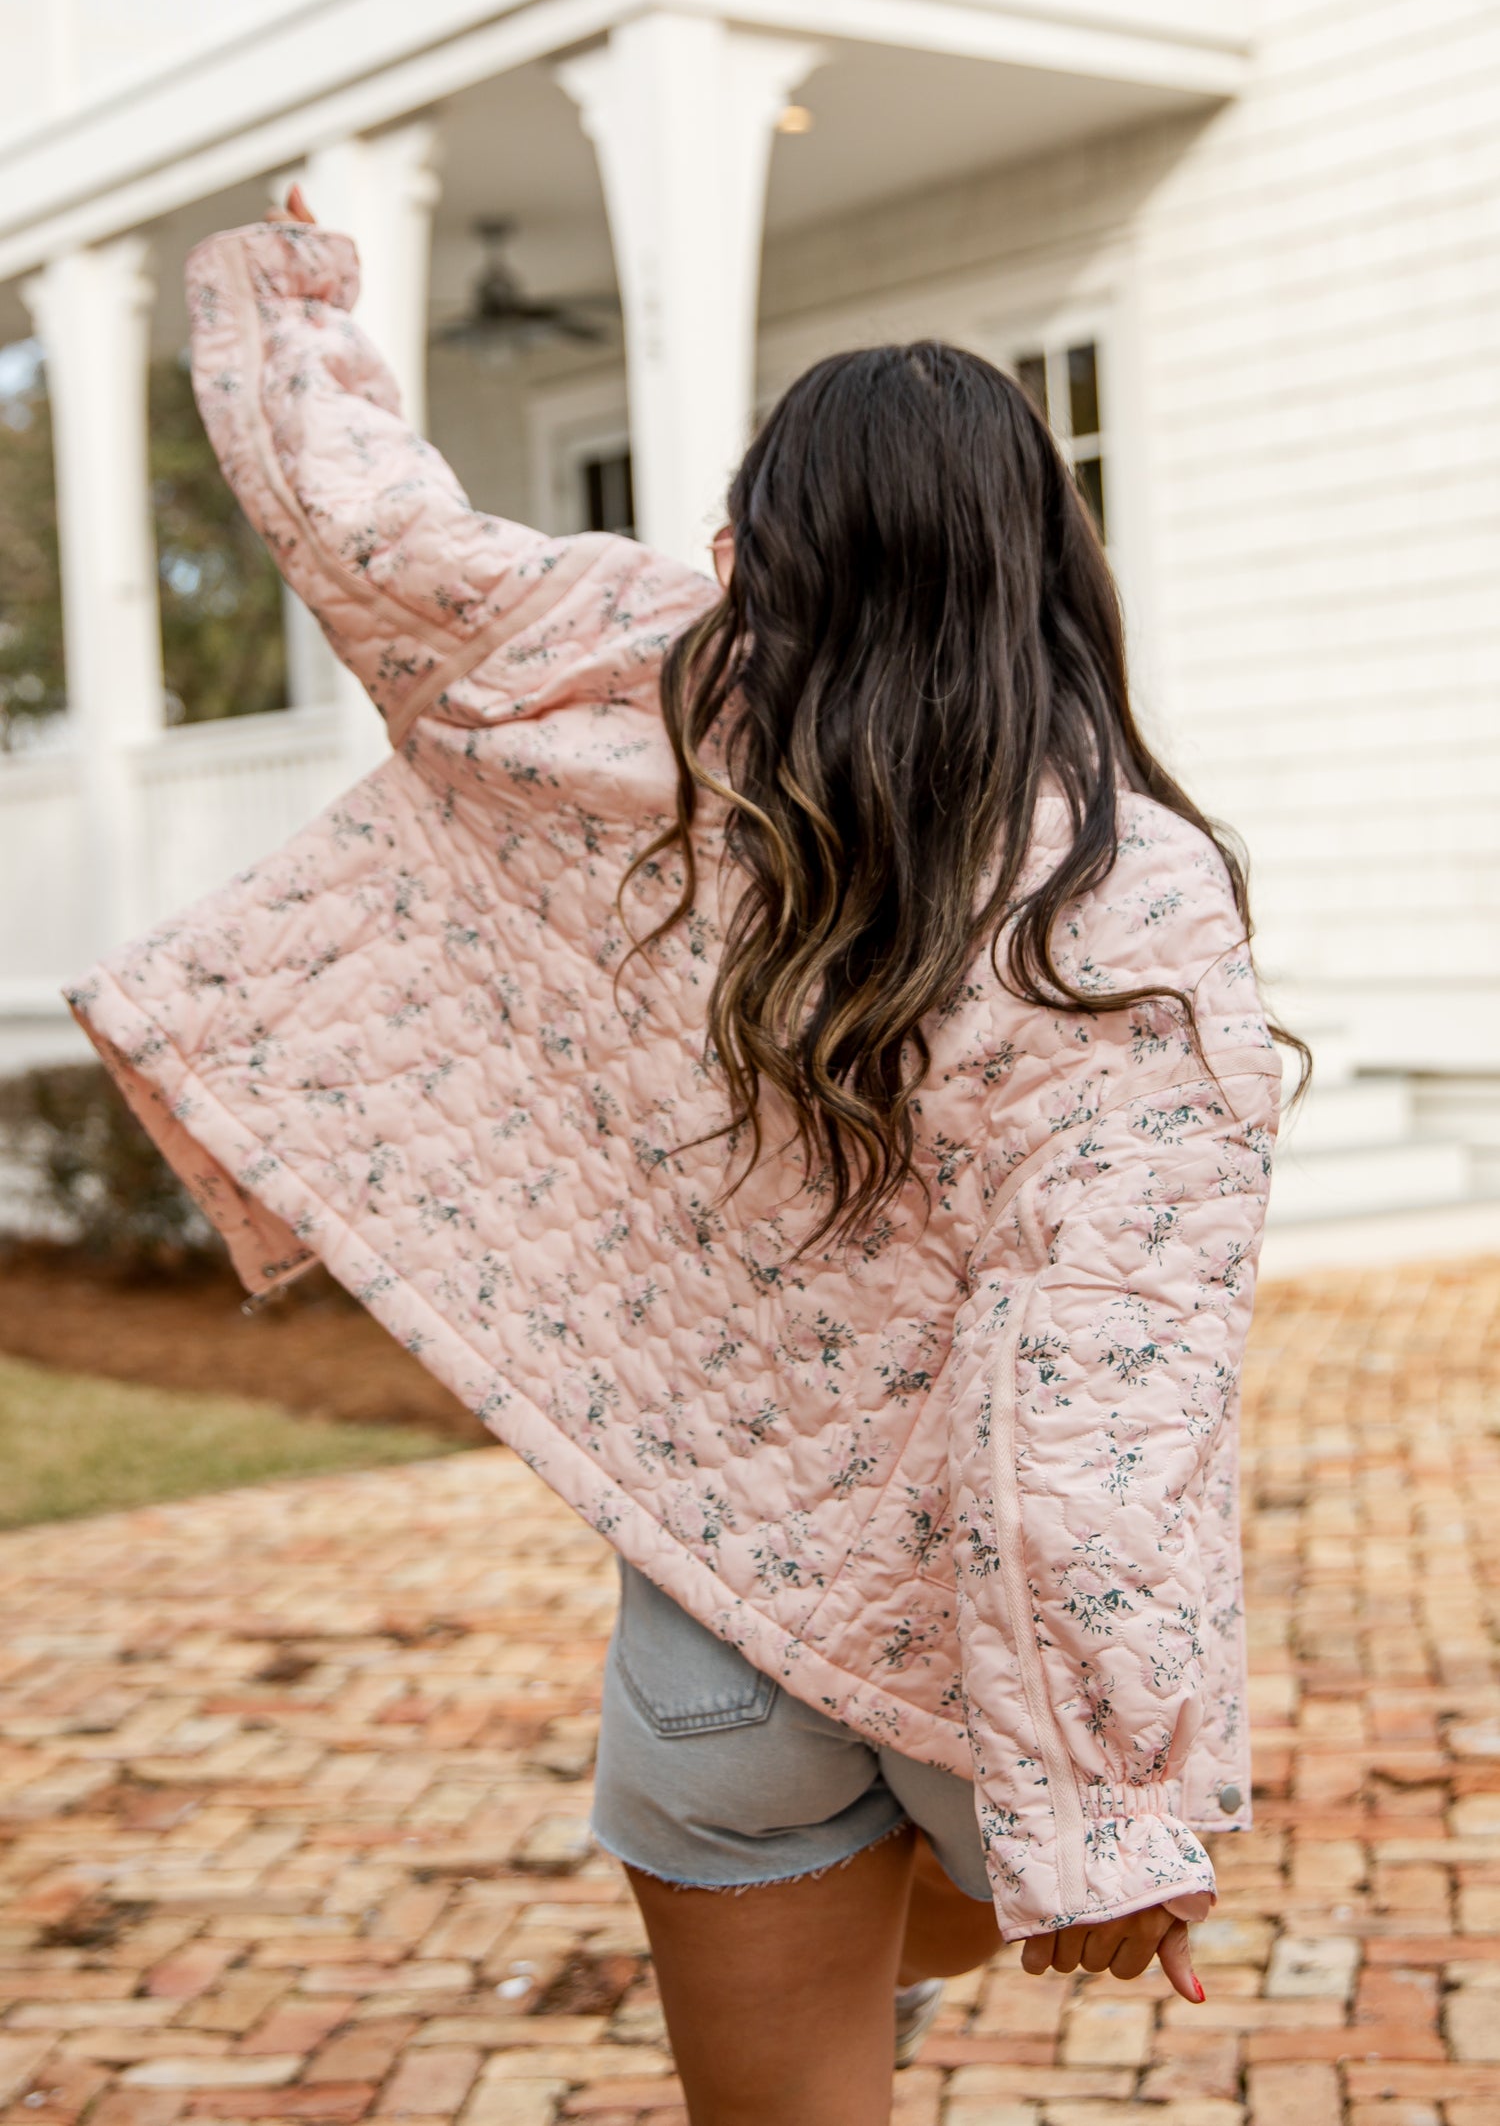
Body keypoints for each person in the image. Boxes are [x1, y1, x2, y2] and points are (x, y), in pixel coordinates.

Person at [68, 185, 1297, 2126]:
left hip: (720, 1643)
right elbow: (1093, 1379)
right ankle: (861, 1970)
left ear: (764, 546)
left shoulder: (639, 690)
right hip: (974, 1685)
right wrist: (1112, 1804)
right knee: (921, 1935)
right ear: (1048, 566)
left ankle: (818, 2006)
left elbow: (376, 538)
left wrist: (291, 306)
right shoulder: (1116, 898)